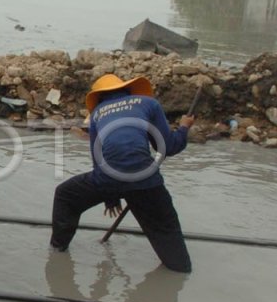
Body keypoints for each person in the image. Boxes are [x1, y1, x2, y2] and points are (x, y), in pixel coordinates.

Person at [49, 74, 195, 273]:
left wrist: (111, 195)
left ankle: (57, 252)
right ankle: (179, 270)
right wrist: (184, 127)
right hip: (146, 181)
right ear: (127, 90)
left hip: (107, 179)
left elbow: (99, 160)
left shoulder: (98, 114)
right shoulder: (149, 103)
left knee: (66, 195)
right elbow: (168, 147)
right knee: (165, 231)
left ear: (99, 98)